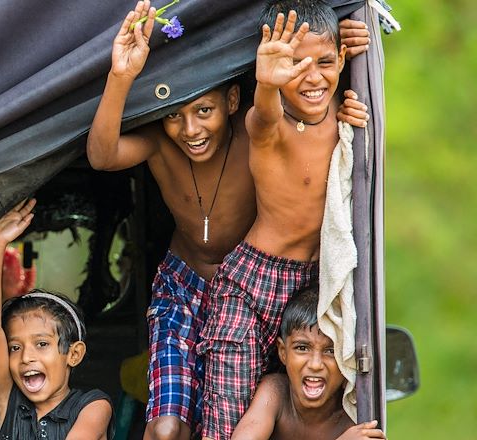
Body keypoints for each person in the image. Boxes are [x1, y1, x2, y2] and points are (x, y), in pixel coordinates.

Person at [86, 2, 369, 439]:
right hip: (225, 283)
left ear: (229, 102)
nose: (191, 129)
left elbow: (314, 79)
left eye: (204, 111)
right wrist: (121, 76)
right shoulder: (258, 124)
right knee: (199, 421)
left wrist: (352, 47)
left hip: (307, 281)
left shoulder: (326, 113)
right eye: (175, 116)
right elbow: (103, 156)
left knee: (284, 401)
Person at [198, 2, 360, 439]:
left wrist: (357, 46)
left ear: (342, 60)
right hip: (251, 282)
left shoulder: (346, 118)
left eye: (324, 62)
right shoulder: (268, 125)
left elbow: (330, 69)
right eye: (294, 65)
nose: (310, 77)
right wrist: (267, 85)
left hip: (314, 279)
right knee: (227, 409)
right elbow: (263, 114)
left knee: (320, 384)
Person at [0, 199, 114, 439]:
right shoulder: (9, 405)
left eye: (41, 344)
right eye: (15, 347)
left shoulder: (94, 406)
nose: (26, 357)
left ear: (74, 354)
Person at [231, 287, 386, 440]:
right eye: (302, 348)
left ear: (347, 359)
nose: (315, 364)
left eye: (331, 351)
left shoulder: (354, 415)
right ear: (283, 352)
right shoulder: (276, 392)